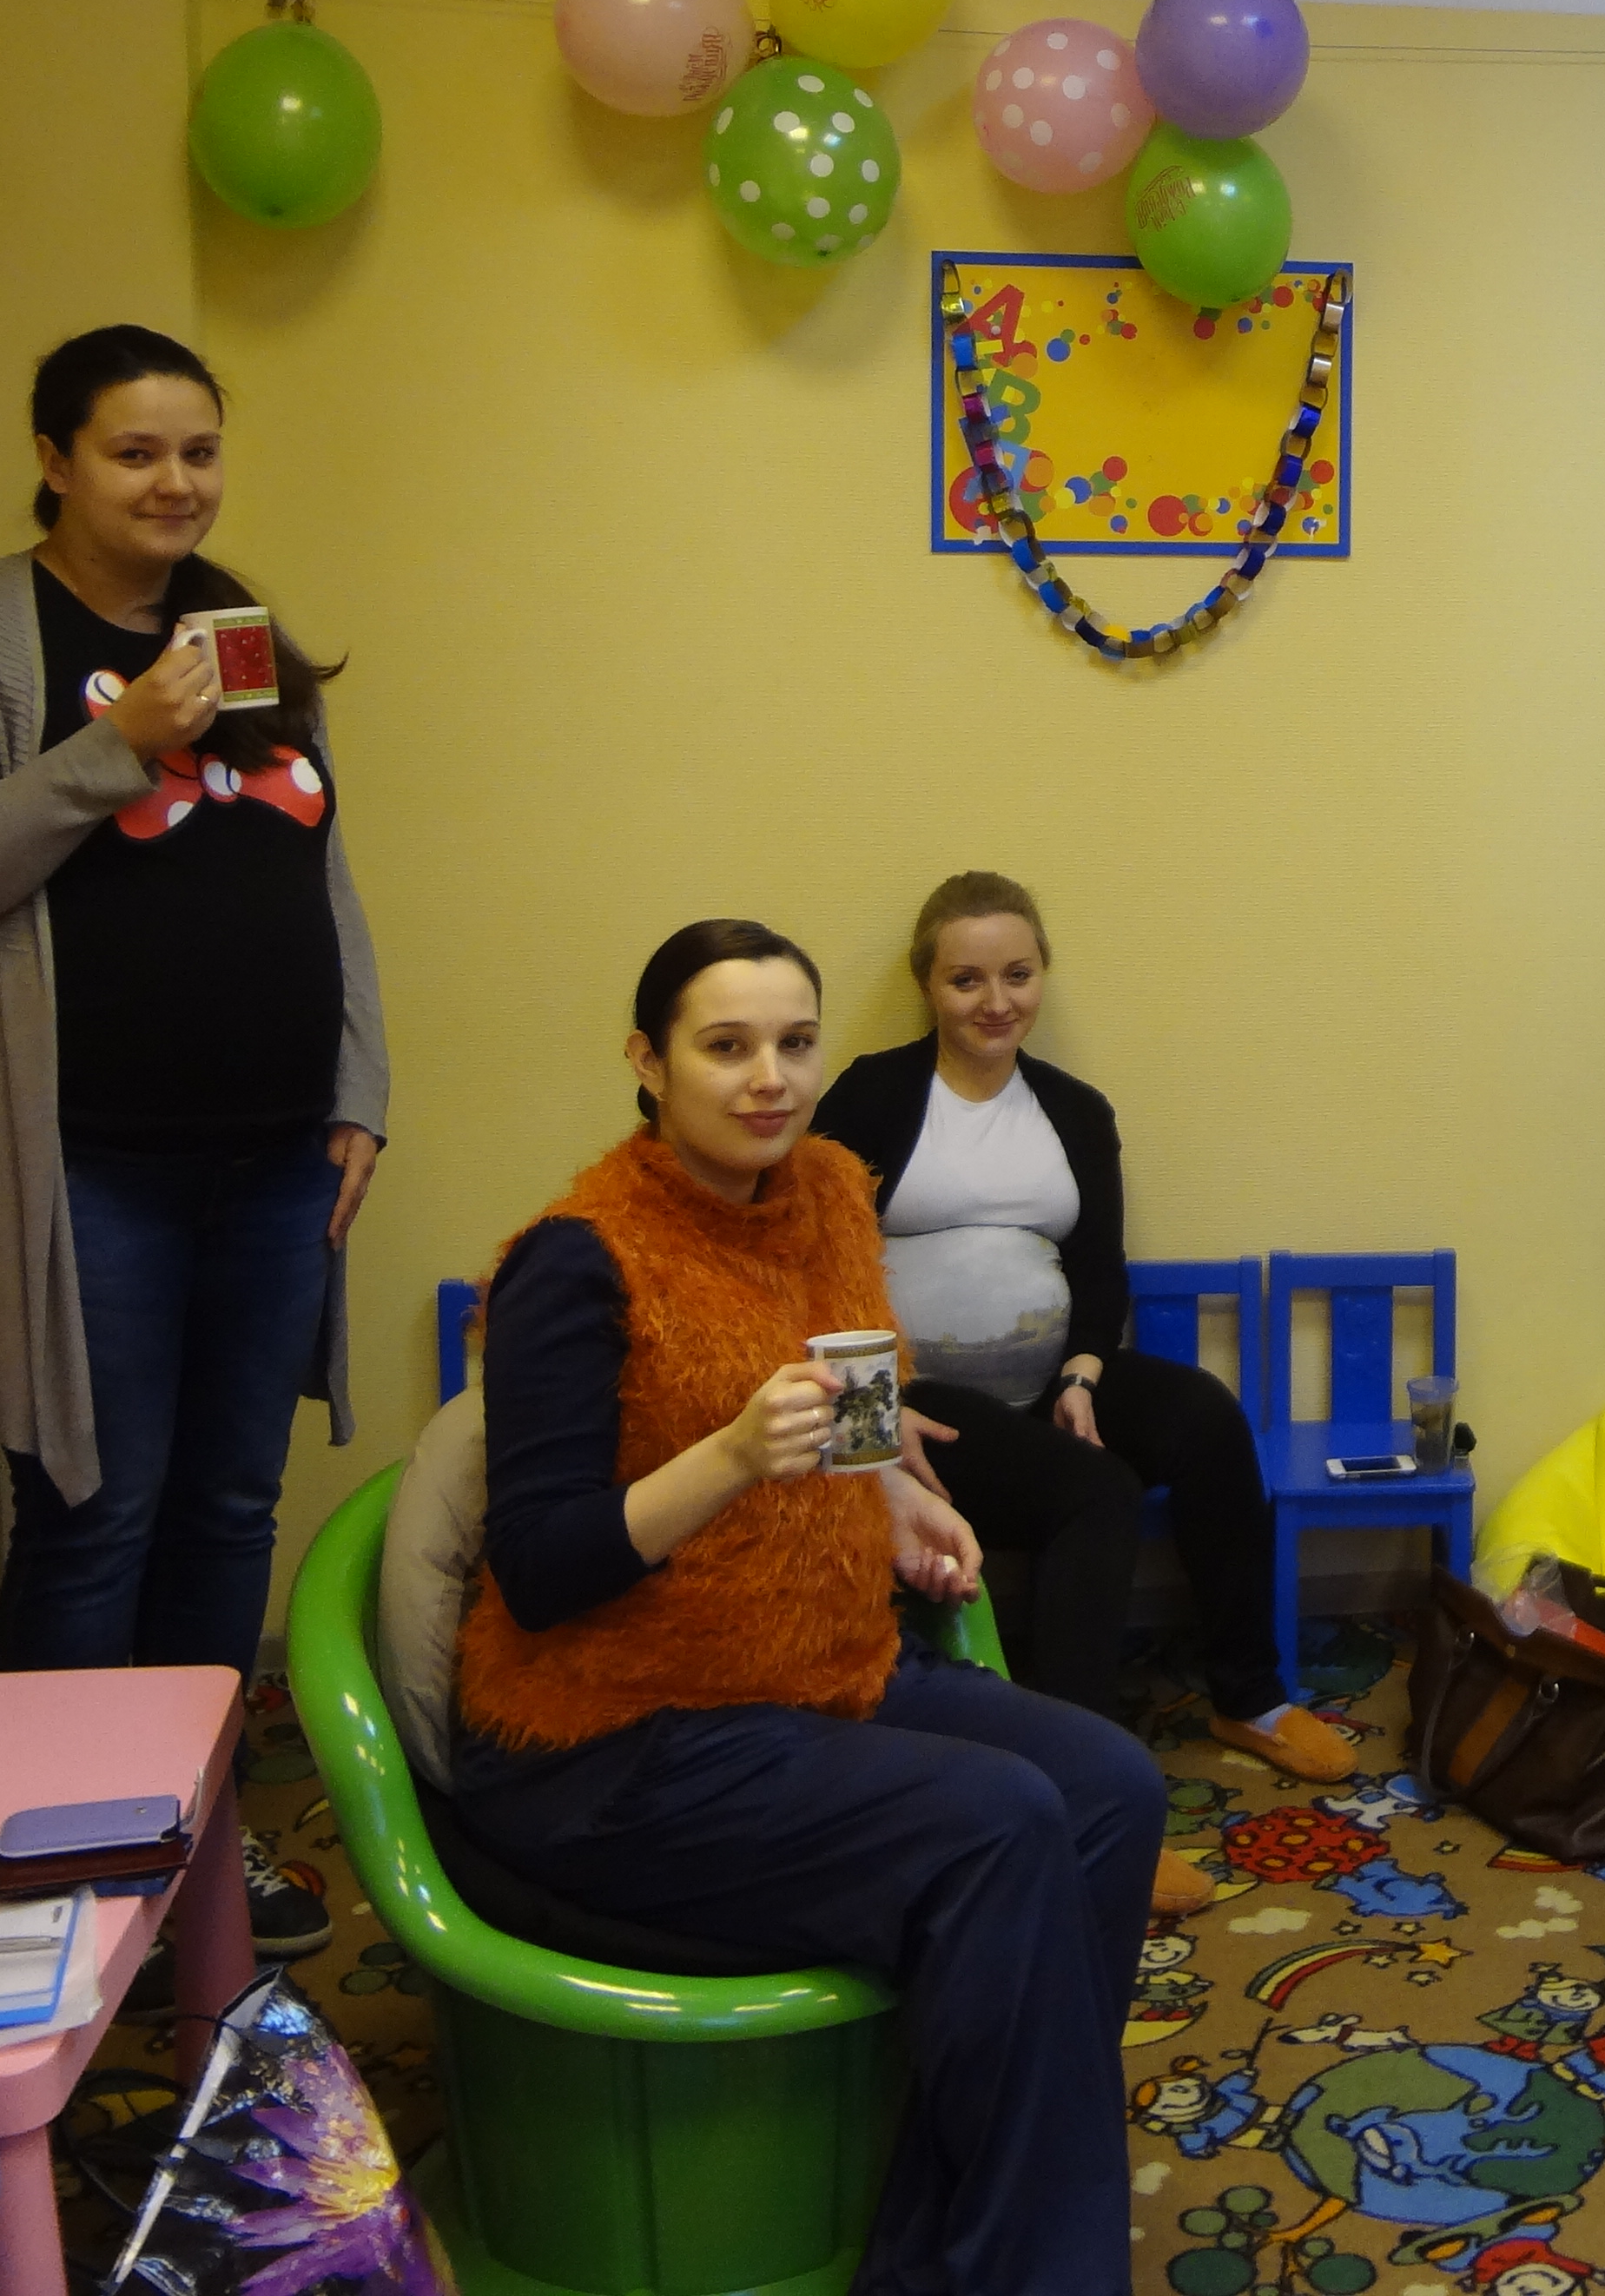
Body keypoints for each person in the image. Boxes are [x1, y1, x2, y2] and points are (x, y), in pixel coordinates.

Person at [446, 917, 1155, 2296]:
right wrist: (725, 1458)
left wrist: (894, 1499)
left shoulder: (828, 1187)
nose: (769, 1078)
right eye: (727, 1046)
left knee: (1113, 1787)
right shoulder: (576, 1261)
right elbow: (538, 1566)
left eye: (794, 1043)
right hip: (614, 1740)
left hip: (812, 1675)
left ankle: (951, 2246)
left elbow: (849, 1396)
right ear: (648, 1062)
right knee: (1003, 1819)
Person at [0, 321, 380, 1959]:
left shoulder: (239, 629)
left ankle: (199, 1853)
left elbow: (316, 870)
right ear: (55, 461)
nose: (175, 483)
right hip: (85, 1169)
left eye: (198, 451)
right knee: (95, 1518)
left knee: (229, 1514)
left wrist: (360, 1087)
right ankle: (63, 1882)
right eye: (135, 451)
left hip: (274, 1162)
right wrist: (116, 744)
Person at [821, 876, 1351, 1906]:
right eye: (967, 979)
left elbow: (1100, 1269)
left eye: (1017, 975)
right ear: (928, 985)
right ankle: (1083, 1789)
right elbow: (816, 1261)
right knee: (1095, 1494)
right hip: (932, 1404)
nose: (996, 1001)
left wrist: (1084, 1369)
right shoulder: (871, 1097)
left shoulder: (1072, 1109)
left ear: (1042, 977)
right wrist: (873, 1423)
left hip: (1051, 1378)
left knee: (1205, 1417)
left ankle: (1248, 1696)